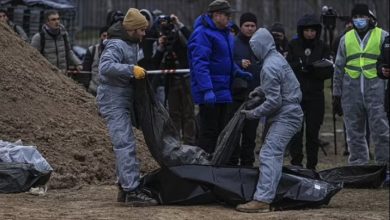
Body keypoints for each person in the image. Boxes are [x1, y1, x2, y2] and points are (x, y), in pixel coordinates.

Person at [236, 28, 303, 213]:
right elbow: (278, 86)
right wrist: (261, 89)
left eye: (254, 47)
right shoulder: (277, 58)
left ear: (261, 46)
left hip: (286, 115)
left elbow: (275, 101)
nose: (253, 51)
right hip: (289, 112)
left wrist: (253, 113)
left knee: (269, 153)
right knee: (272, 153)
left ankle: (263, 200)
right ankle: (268, 194)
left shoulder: (269, 66)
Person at [97, 8, 158, 206]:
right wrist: (131, 70)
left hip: (122, 99)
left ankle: (124, 186)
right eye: (141, 29)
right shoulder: (117, 44)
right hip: (113, 101)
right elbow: (105, 67)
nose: (144, 33)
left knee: (126, 143)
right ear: (132, 29)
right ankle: (132, 190)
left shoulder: (131, 43)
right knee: (124, 144)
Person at [188, 0, 253, 154]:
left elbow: (225, 60)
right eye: (227, 15)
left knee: (221, 132)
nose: (230, 18)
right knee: (208, 133)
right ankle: (203, 168)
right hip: (210, 93)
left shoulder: (225, 33)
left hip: (224, 90)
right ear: (216, 15)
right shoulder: (202, 34)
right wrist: (206, 89)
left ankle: (217, 168)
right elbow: (200, 64)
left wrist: (237, 71)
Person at [333, 4, 389, 166]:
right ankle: (358, 166)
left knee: (381, 131)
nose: (359, 20)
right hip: (351, 92)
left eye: (362, 17)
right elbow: (338, 68)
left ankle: (384, 167)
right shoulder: (346, 38)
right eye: (356, 17)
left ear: (370, 18)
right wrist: (336, 94)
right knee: (354, 132)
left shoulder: (383, 36)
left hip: (377, 90)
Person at [286, 14, 333, 170]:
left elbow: (328, 69)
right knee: (296, 131)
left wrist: (313, 70)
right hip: (296, 95)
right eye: (307, 30)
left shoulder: (322, 46)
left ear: (317, 31)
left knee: (313, 132)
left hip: (315, 95)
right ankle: (296, 163)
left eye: (313, 30)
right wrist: (298, 67)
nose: (310, 33)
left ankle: (311, 165)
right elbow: (285, 66)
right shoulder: (293, 45)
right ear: (301, 31)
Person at [152, 14, 197, 145]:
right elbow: (155, 62)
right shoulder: (161, 41)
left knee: (189, 113)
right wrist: (160, 47)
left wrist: (179, 24)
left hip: (185, 79)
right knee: (173, 114)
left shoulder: (180, 36)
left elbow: (191, 40)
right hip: (171, 82)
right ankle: (175, 142)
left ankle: (189, 142)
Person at [229, 12, 261, 166]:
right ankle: (233, 164)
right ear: (240, 27)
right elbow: (226, 63)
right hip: (236, 95)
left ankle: (248, 164)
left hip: (255, 95)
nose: (250, 29)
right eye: (246, 25)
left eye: (252, 26)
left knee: (250, 135)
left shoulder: (260, 44)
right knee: (235, 134)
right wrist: (238, 63)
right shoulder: (233, 43)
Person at [82, 26, 109, 96]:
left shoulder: (115, 52)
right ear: (100, 36)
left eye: (108, 36)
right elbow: (86, 70)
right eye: (104, 36)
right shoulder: (92, 50)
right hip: (93, 90)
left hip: (108, 91)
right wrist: (86, 86)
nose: (106, 39)